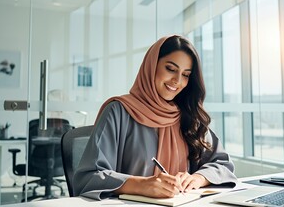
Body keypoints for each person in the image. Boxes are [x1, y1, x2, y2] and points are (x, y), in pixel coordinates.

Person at [73, 35, 238, 200]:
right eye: (171, 69)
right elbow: (88, 178)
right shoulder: (118, 112)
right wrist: (141, 185)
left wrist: (197, 178)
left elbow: (222, 165)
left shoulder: (188, 115)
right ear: (151, 66)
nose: (177, 81)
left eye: (186, 74)